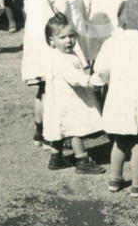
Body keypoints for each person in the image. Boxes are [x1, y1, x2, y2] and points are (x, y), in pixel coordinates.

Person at [89, 0, 138, 198]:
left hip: (120, 98)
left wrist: (96, 83)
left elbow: (101, 69)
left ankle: (115, 179)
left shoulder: (111, 43)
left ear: (121, 17)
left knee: (120, 140)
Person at [41, 14, 106, 174]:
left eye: (71, 36)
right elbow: (74, 77)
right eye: (62, 37)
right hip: (69, 101)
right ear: (51, 41)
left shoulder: (62, 54)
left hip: (58, 100)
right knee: (75, 129)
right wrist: (88, 81)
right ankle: (82, 159)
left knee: (60, 128)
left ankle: (56, 157)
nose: (68, 41)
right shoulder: (61, 58)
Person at [22, 0, 60, 147]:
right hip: (44, 50)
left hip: (35, 51)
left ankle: (39, 131)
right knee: (48, 93)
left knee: (41, 91)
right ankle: (47, 134)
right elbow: (51, 27)